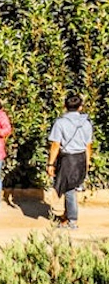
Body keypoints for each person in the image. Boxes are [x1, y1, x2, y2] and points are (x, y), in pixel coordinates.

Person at [49, 89, 94, 230]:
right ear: (80, 107)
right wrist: (87, 162)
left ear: (65, 106)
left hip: (68, 159)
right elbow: (88, 145)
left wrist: (50, 163)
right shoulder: (86, 123)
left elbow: (55, 144)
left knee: (68, 189)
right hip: (80, 157)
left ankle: (72, 221)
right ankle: (67, 215)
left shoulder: (60, 123)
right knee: (72, 188)